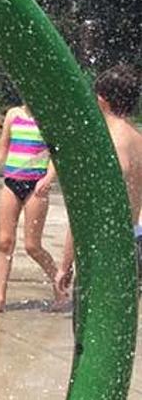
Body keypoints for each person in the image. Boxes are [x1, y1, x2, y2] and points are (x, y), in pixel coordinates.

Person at [55, 65, 142, 297]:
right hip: (134, 239)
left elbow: (85, 208)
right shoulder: (139, 141)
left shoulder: (103, 145)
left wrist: (65, 264)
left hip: (103, 244)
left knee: (91, 322)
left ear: (101, 100)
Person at [0, 103, 63, 314]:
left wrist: (49, 177)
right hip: (11, 182)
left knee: (32, 245)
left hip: (36, 185)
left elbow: (56, 153)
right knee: (5, 242)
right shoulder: (13, 114)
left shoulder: (49, 115)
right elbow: (2, 150)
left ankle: (59, 283)